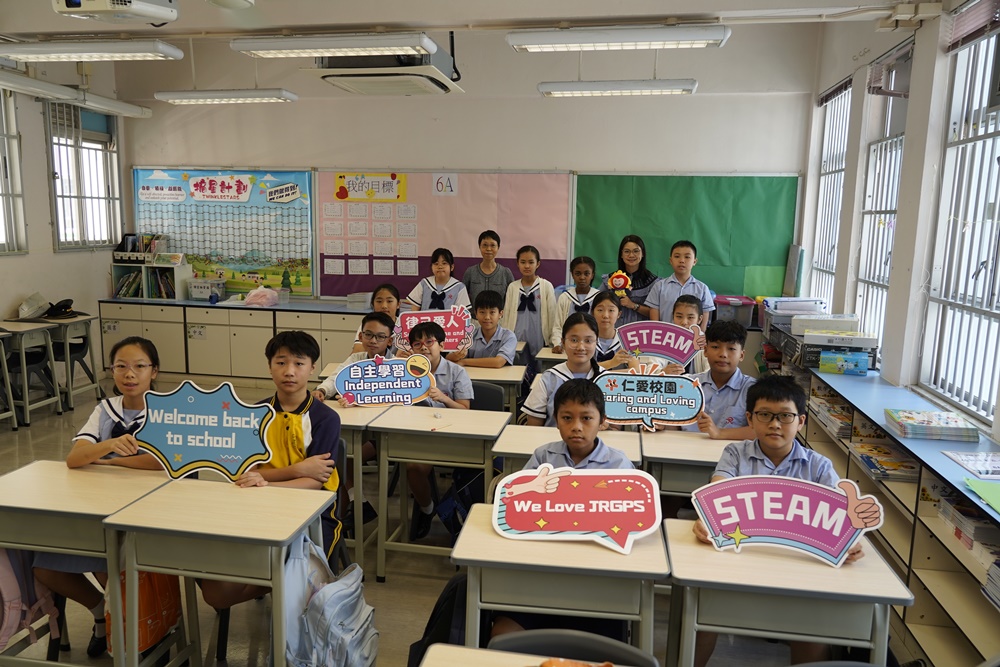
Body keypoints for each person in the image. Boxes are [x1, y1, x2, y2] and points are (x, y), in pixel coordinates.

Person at [691, 374, 867, 667]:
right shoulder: (735, 454)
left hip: (800, 575)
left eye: (785, 416)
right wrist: (705, 520)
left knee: (812, 631)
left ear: (801, 421)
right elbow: (717, 493)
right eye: (765, 415)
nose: (775, 424)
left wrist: (851, 542)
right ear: (750, 419)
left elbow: (844, 518)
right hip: (738, 567)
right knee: (701, 615)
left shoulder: (818, 466)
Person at [35, 336, 163, 658]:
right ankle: (99, 614)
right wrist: (107, 446)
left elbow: (161, 463)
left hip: (146, 512)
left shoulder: (167, 411)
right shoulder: (105, 410)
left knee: (115, 568)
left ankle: (134, 630)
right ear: (111, 370)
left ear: (154, 371)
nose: (129, 374)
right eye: (121, 366)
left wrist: (110, 461)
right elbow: (75, 459)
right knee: (45, 567)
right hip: (98, 507)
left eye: (139, 366)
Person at [201, 331, 342, 611]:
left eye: (299, 363)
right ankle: (278, 582)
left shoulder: (325, 418)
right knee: (213, 586)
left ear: (312, 368)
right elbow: (244, 474)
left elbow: (315, 484)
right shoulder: (253, 413)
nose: (289, 371)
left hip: (311, 516)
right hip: (256, 508)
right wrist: (297, 469)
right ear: (269, 366)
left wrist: (265, 480)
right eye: (281, 362)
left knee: (298, 579)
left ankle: (285, 583)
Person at [492, 379, 632, 638]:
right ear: (555, 420)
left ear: (603, 421)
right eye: (567, 418)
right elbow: (515, 506)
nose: (576, 427)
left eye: (586, 418)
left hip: (598, 578)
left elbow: (630, 519)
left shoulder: (618, 465)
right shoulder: (543, 456)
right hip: (541, 569)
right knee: (502, 636)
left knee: (605, 647)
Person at [312, 311, 396, 531]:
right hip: (362, 428)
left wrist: (363, 399)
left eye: (380, 336)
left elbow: (397, 396)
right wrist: (322, 391)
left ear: (390, 340)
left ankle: (354, 505)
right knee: (340, 453)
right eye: (368, 334)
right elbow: (336, 377)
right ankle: (356, 503)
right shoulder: (356, 359)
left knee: (343, 455)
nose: (373, 340)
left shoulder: (398, 364)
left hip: (387, 434)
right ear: (361, 336)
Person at [405, 321, 475, 540]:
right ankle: (427, 509)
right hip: (417, 434)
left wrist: (444, 399)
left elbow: (465, 410)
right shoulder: (405, 372)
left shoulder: (457, 372)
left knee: (415, 465)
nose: (424, 347)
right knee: (413, 466)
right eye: (417, 344)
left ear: (442, 345)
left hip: (451, 436)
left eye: (429, 342)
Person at [522, 313, 604, 427]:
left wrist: (607, 426)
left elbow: (616, 428)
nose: (581, 347)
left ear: (597, 342)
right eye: (574, 340)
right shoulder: (549, 378)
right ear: (563, 342)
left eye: (588, 341)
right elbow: (533, 426)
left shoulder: (607, 379)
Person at [682, 320, 756, 441]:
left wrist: (719, 433)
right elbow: (674, 424)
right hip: (684, 449)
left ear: (741, 355)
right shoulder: (686, 384)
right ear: (705, 351)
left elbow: (762, 431)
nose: (723, 354)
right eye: (715, 347)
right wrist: (661, 424)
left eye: (731, 348)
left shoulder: (752, 389)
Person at [500, 245, 558, 361]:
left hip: (540, 339)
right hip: (516, 340)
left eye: (531, 262)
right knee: (518, 367)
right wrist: (505, 339)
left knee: (539, 367)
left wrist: (554, 341)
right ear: (517, 263)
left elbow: (552, 316)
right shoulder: (513, 287)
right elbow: (506, 317)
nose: (527, 266)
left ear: (538, 264)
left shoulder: (546, 286)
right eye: (523, 262)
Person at [648, 240, 714, 329]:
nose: (682, 260)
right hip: (665, 336)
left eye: (687, 257)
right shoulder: (659, 286)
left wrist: (700, 335)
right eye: (677, 256)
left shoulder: (702, 289)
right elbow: (654, 321)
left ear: (694, 261)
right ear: (671, 260)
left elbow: (704, 319)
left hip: (691, 336)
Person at [448, 289, 517, 368]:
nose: (487, 317)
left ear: (500, 314)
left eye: (492, 312)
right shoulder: (468, 335)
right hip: (472, 375)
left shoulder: (508, 336)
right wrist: (455, 356)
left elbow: (498, 362)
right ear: (476, 314)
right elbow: (448, 358)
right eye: (482, 312)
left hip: (499, 376)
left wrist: (464, 361)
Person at [599, 235, 658, 325]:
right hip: (614, 330)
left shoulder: (653, 282)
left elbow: (657, 314)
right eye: (627, 251)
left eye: (636, 251)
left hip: (641, 330)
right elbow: (597, 304)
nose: (631, 255)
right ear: (621, 255)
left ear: (642, 254)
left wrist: (633, 305)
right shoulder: (610, 279)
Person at [552, 256, 600, 353]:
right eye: (578, 273)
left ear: (592, 275)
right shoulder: (565, 297)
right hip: (569, 347)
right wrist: (557, 344)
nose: (582, 277)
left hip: (592, 348)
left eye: (586, 273)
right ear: (572, 275)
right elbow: (558, 326)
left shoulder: (598, 297)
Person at [406, 248, 471, 311]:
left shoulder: (459, 287)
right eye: (436, 264)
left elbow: (463, 312)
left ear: (452, 267)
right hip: (426, 319)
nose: (440, 267)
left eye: (444, 263)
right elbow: (414, 308)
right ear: (431, 267)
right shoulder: (424, 283)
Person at [462, 229, 515, 307]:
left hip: (500, 315)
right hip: (474, 315)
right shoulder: (470, 272)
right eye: (485, 245)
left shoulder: (505, 272)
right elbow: (462, 297)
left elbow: (513, 299)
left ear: (498, 247)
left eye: (492, 245)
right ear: (479, 247)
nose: (488, 249)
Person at [664, 295, 709, 376]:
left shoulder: (704, 342)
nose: (684, 322)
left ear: (699, 319)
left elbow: (709, 371)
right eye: (679, 317)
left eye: (690, 317)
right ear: (673, 316)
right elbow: (653, 366)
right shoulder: (664, 338)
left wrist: (686, 379)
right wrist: (663, 372)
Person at [590, 291, 636, 371]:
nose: (605, 315)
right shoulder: (585, 339)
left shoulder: (628, 340)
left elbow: (635, 370)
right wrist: (611, 363)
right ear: (592, 313)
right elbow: (580, 368)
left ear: (619, 314)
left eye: (611, 310)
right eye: (600, 310)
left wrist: (599, 371)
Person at [350, 283, 400, 354]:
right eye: (379, 301)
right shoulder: (369, 324)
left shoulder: (404, 325)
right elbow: (358, 351)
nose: (384, 306)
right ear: (373, 304)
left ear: (398, 304)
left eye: (389, 301)